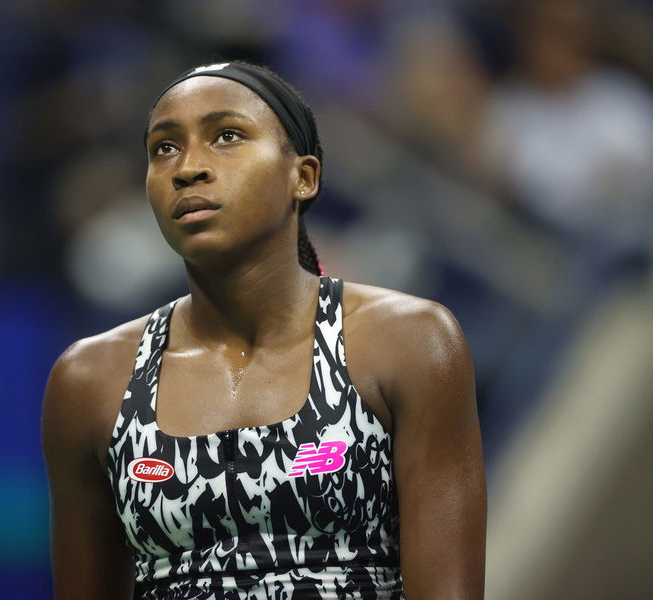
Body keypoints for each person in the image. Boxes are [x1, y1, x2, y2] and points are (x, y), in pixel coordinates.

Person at [42, 61, 486, 599]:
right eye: (165, 148)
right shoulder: (90, 379)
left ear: (304, 177)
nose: (188, 168)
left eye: (227, 136)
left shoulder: (410, 342)